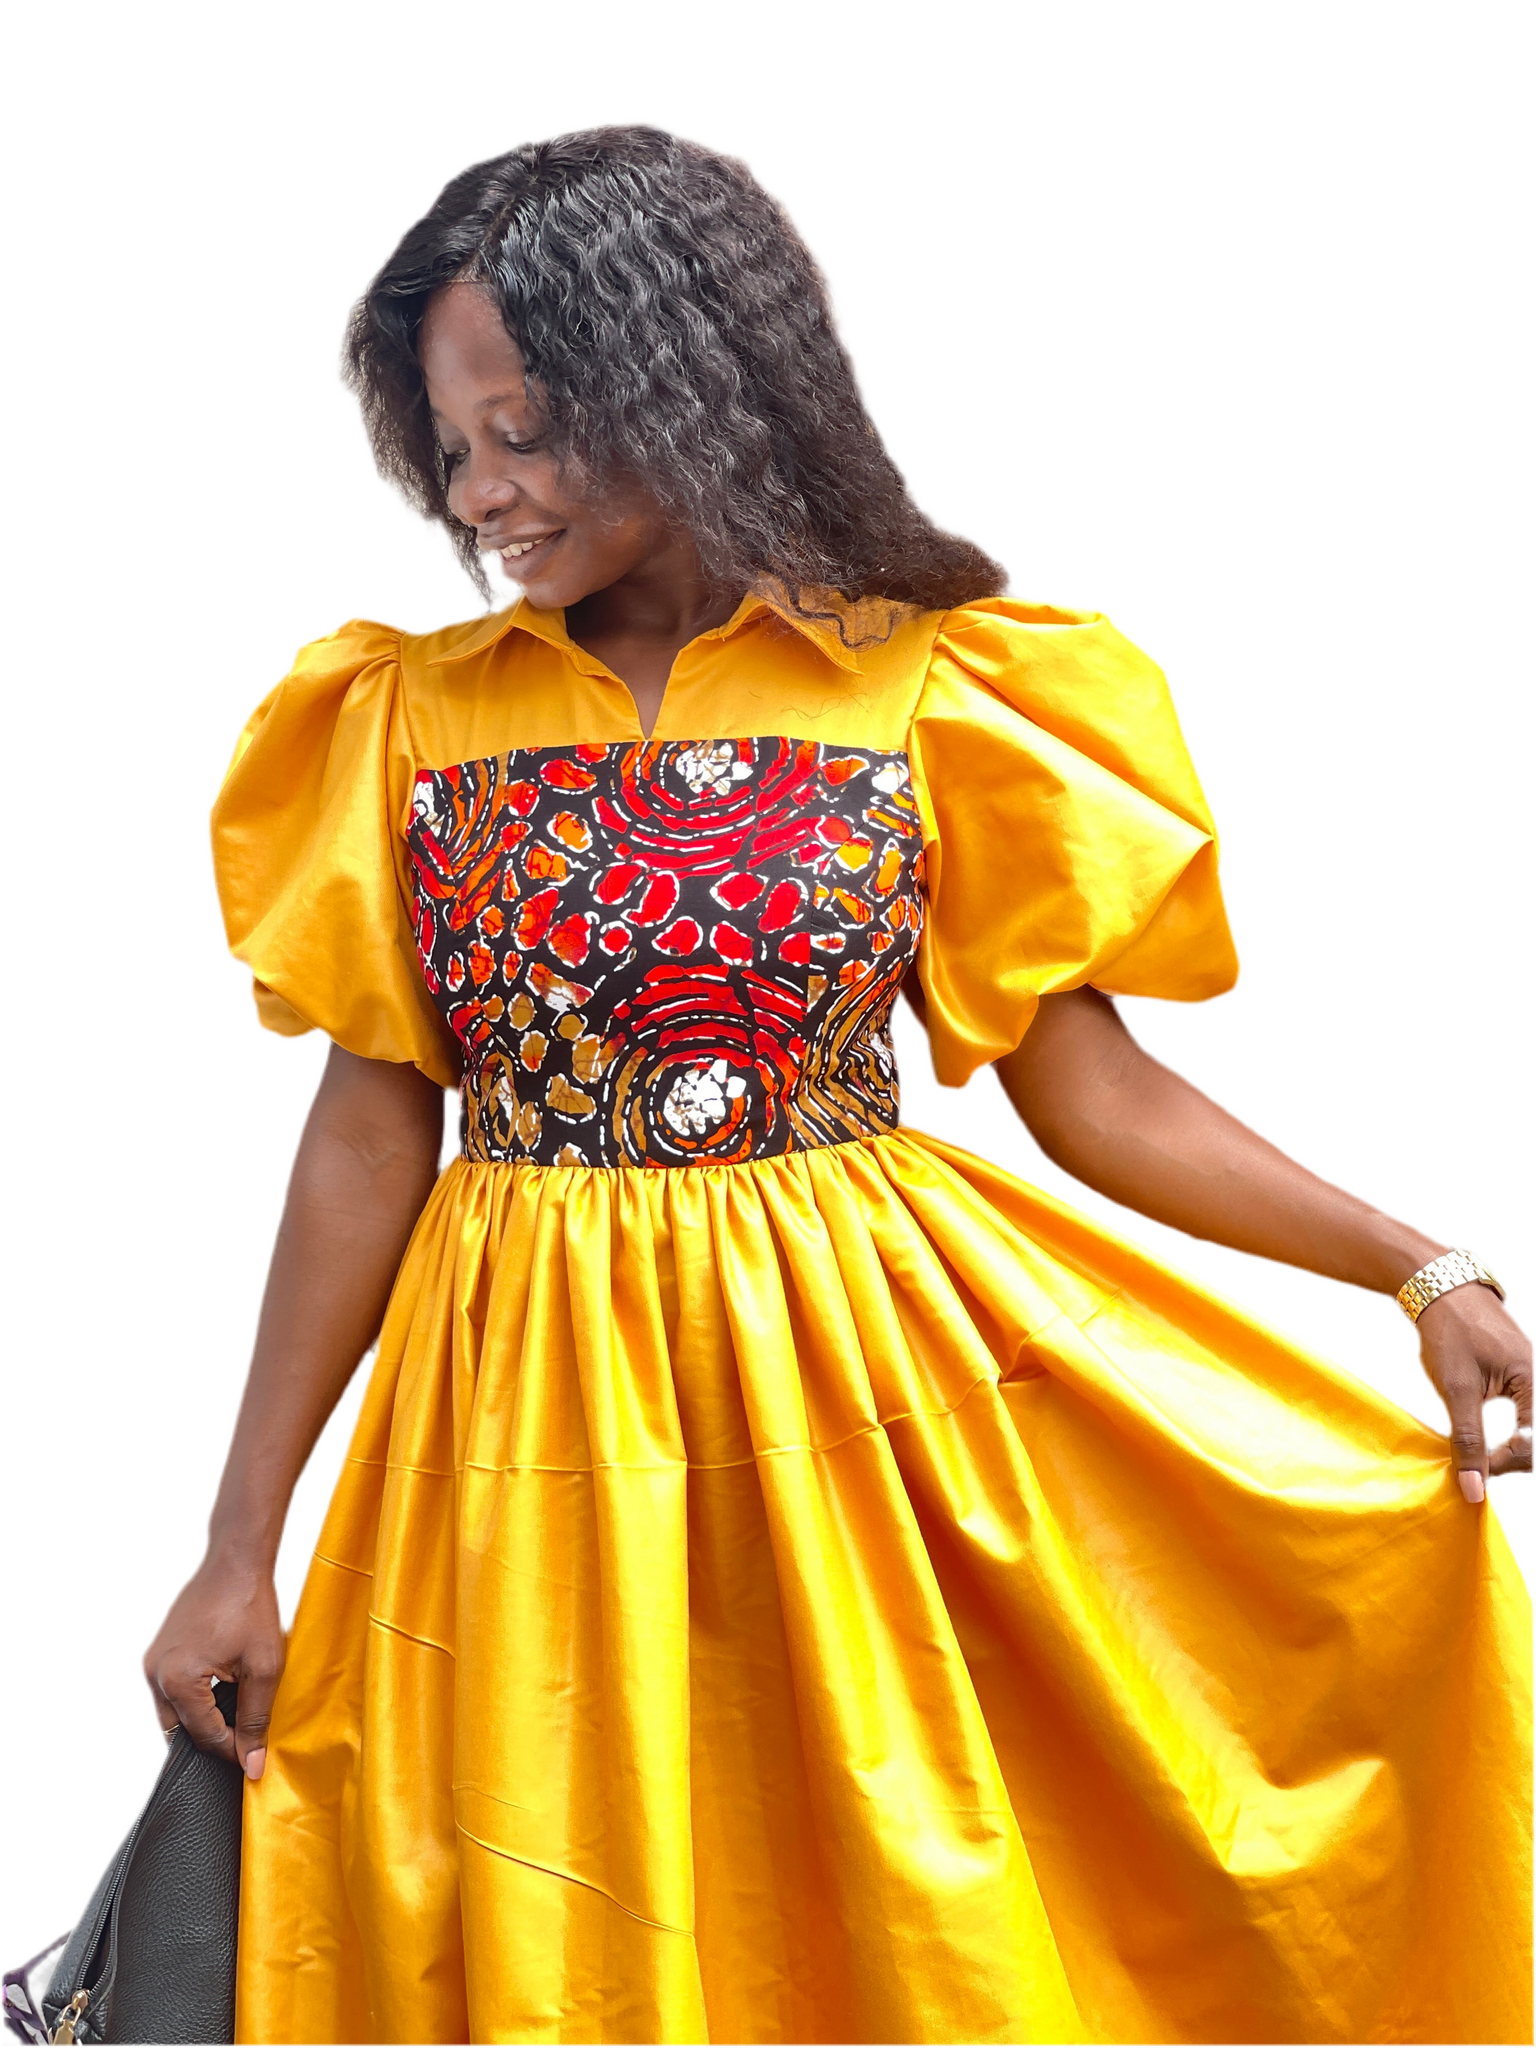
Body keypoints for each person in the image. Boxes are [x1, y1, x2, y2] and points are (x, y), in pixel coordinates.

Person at [143, 126, 1531, 2046]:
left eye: (522, 432)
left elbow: (1095, 1095)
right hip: (516, 1416)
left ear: (686, 383)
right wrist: (239, 1547)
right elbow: (370, 1137)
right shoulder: (403, 718)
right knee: (549, 1895)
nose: (482, 495)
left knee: (885, 1898)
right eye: (449, 447)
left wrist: (1417, 1267)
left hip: (853, 1410)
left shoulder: (937, 690)